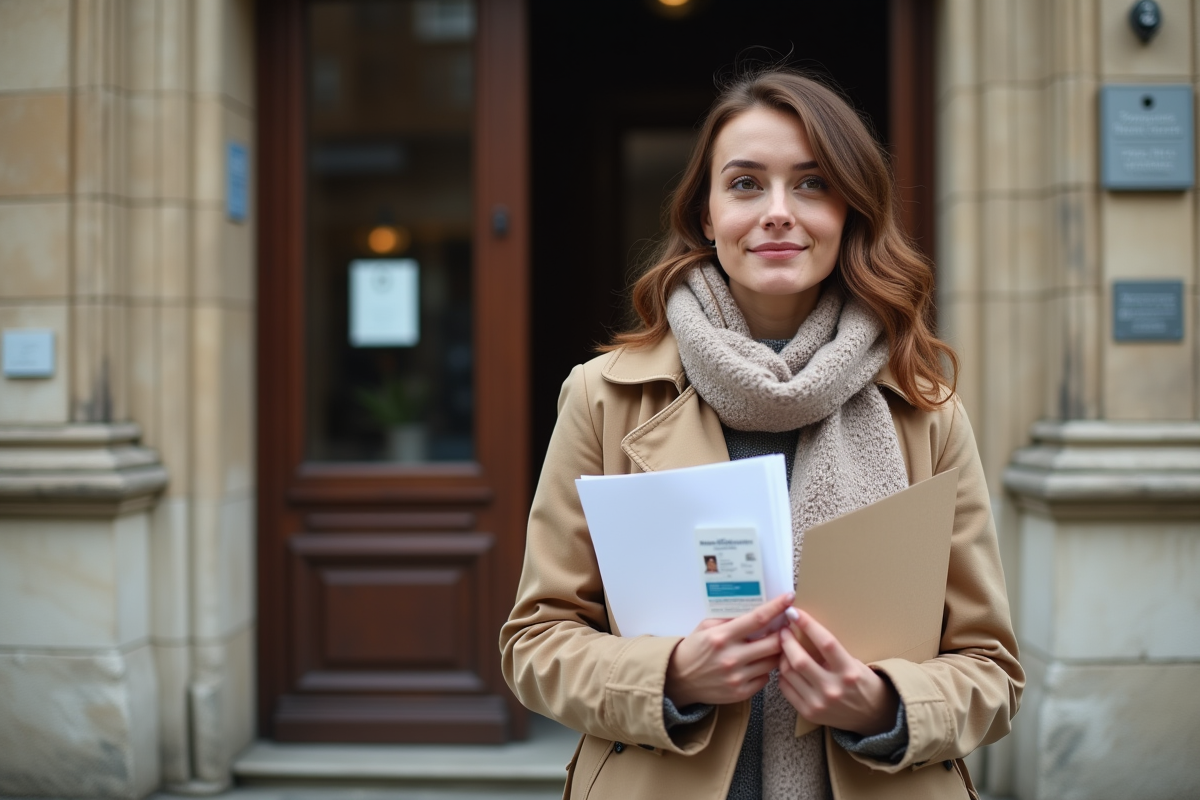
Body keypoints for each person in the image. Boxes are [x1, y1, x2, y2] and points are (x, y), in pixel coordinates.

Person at [499, 69, 1023, 800]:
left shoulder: (928, 412)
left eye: (811, 184)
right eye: (746, 184)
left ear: (850, 212)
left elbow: (991, 670)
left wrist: (882, 706)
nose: (778, 211)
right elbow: (537, 642)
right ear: (707, 215)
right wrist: (671, 677)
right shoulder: (603, 396)